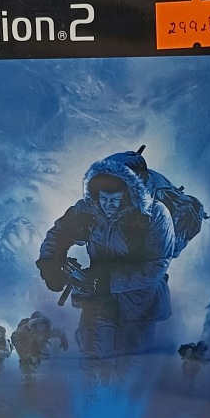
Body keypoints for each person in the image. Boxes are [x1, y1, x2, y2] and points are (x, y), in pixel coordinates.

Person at [36, 152, 175, 392]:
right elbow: (58, 234)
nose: (108, 205)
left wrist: (109, 280)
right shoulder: (88, 210)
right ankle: (93, 403)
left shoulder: (155, 216)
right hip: (98, 299)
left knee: (128, 371)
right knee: (93, 358)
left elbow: (156, 265)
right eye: (103, 198)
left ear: (130, 194)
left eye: (115, 199)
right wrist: (50, 263)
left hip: (140, 305)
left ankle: (119, 407)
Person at [11, 311, 68, 382]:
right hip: (26, 347)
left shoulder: (47, 331)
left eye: (43, 325)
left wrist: (64, 342)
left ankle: (35, 376)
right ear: (35, 324)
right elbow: (15, 336)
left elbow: (61, 333)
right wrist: (20, 347)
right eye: (39, 324)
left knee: (37, 362)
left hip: (39, 349)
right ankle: (27, 378)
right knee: (26, 362)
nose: (41, 327)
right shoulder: (25, 329)